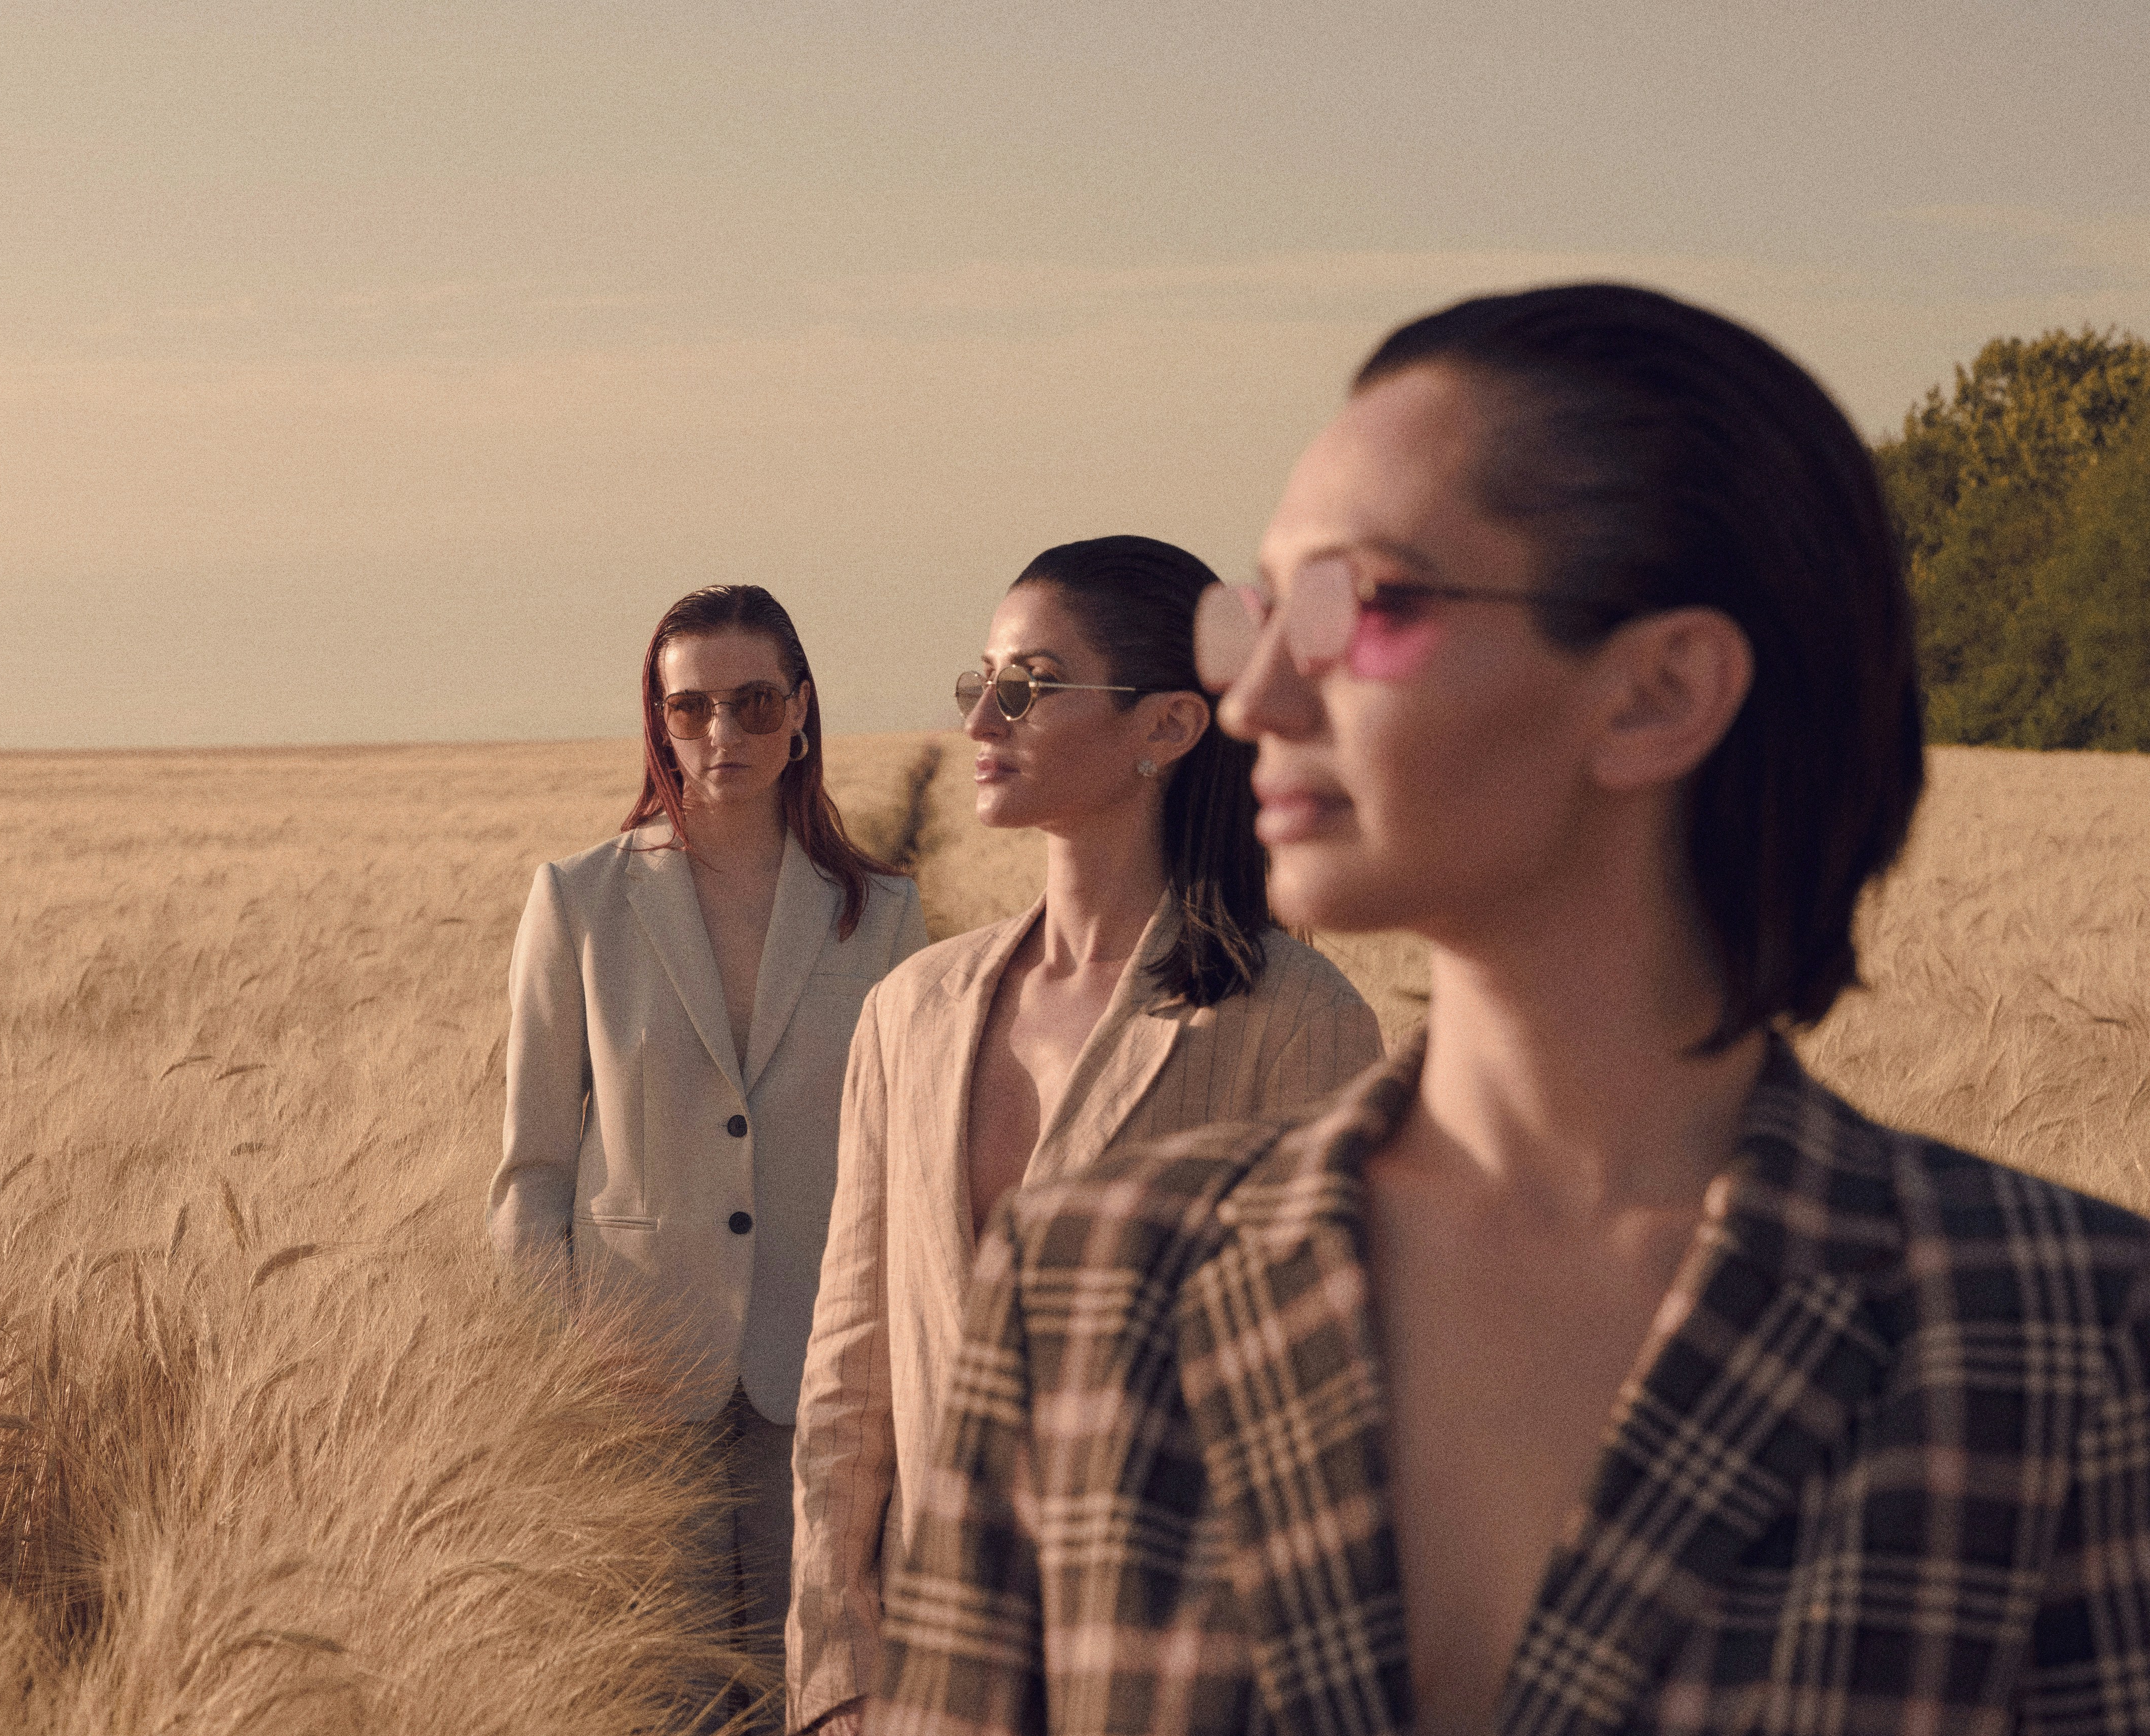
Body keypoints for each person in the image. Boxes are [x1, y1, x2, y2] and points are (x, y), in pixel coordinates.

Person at [874, 285, 2150, 1736]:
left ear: (1655, 689)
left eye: (1357, 604)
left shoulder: (2061, 1342)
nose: (1255, 698)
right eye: (1257, 613)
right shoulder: (1082, 1290)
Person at [790, 536, 1383, 1734]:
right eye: (981, 681)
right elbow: (849, 1374)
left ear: (1168, 726)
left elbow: (1338, 1411)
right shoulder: (910, 1012)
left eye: (1030, 683)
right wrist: (836, 1671)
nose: (981, 719)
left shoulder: (1291, 1023)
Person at [490, 583, 927, 1724]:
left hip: (826, 1374)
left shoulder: (878, 913)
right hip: (637, 1373)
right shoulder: (578, 901)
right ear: (658, 720)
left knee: (820, 1687)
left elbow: (904, 1162)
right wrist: (567, 1355)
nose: (722, 735)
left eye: (752, 702)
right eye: (690, 709)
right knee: (665, 1694)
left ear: (801, 712)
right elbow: (532, 1171)